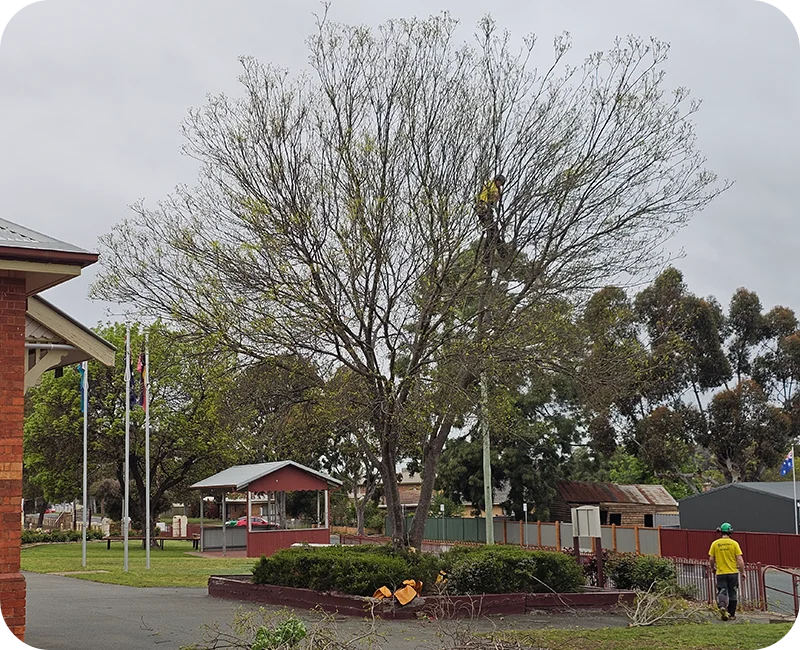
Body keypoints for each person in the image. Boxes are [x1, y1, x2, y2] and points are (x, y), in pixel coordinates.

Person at [708, 522, 745, 620]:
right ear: (730, 532)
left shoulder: (715, 544)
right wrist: (742, 572)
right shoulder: (734, 544)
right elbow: (740, 560)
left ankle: (722, 606)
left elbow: (711, 559)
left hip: (721, 573)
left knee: (722, 591)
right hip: (733, 573)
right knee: (733, 592)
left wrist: (712, 568)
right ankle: (731, 614)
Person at [475, 174, 506, 260]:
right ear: (497, 180)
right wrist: (499, 194)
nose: (500, 185)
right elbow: (496, 196)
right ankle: (501, 252)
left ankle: (487, 256)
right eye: (500, 182)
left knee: (492, 232)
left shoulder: (490, 185)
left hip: (485, 209)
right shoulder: (492, 185)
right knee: (493, 231)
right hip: (483, 208)